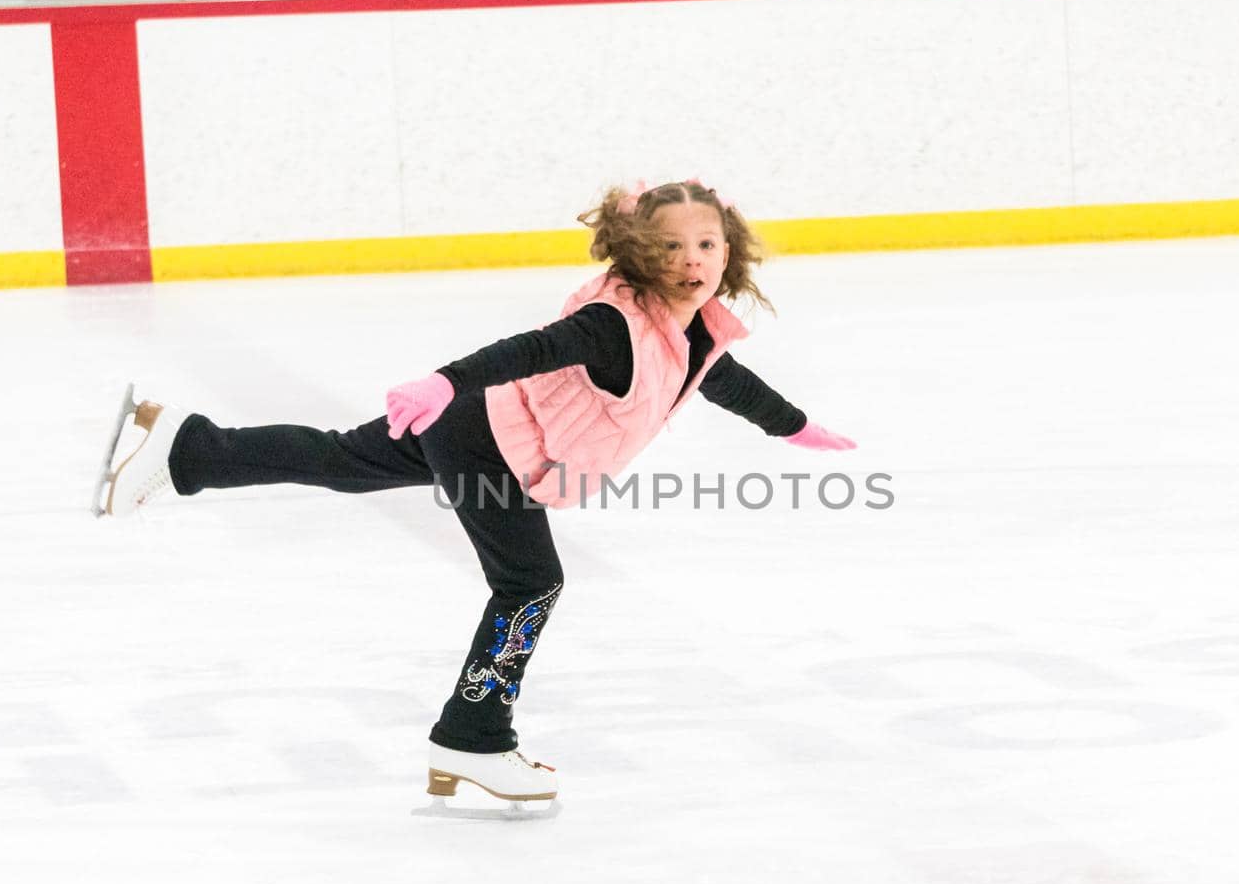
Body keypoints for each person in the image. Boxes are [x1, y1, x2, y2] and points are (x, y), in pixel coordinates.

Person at [96, 179, 856, 816]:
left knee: (339, 458)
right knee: (530, 580)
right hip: (482, 436)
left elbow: (717, 376)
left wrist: (792, 426)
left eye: (707, 245)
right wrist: (443, 382)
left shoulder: (690, 330)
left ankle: (189, 447)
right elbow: (526, 350)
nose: (693, 261)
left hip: (479, 431)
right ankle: (474, 735)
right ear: (639, 254)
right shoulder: (611, 324)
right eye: (671, 248)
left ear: (730, 248)